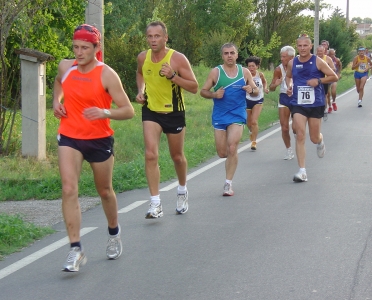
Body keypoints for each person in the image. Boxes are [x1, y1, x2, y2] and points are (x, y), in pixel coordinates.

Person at [53, 24, 135, 272]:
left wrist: (104, 112)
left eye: (85, 48)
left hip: (99, 139)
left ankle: (113, 232)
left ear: (96, 48)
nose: (79, 53)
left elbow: (128, 110)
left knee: (105, 191)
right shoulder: (65, 67)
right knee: (69, 189)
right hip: (69, 136)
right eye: (76, 47)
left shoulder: (106, 74)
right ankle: (75, 249)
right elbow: (58, 83)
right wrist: (56, 101)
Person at [136, 21, 198, 219]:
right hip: (151, 111)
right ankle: (155, 203)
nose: (153, 40)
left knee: (177, 156)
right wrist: (141, 91)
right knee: (150, 155)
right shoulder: (142, 57)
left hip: (174, 112)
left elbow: (194, 87)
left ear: (165, 37)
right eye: (150, 36)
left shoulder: (178, 59)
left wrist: (173, 76)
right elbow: (140, 74)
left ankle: (182, 191)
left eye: (157, 36)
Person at [200, 43, 259, 196]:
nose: (229, 56)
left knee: (232, 147)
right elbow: (203, 91)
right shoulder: (216, 72)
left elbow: (255, 90)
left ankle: (228, 184)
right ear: (222, 56)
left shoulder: (244, 72)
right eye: (226, 53)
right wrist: (214, 95)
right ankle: (230, 160)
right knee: (222, 153)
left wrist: (251, 90)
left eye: (232, 53)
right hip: (220, 115)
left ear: (237, 55)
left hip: (237, 114)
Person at [285, 34, 338, 182]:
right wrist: (289, 86)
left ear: (310, 46)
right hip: (298, 103)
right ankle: (302, 171)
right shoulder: (292, 62)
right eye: (300, 46)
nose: (302, 48)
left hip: (316, 103)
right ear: (297, 47)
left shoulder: (318, 61)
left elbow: (334, 76)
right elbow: (288, 77)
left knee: (313, 138)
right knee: (300, 134)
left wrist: (318, 80)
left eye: (305, 46)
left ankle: (320, 140)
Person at [269, 45, 296, 160]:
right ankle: (289, 150)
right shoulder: (278, 69)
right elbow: (271, 88)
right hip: (284, 97)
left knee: (296, 127)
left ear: (291, 57)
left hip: (297, 97)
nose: (281, 59)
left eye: (284, 56)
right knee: (284, 127)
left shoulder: (299, 65)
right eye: (281, 56)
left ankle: (299, 143)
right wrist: (276, 84)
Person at [244, 56, 269, 150]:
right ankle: (251, 131)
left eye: (253, 66)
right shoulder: (245, 76)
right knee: (249, 123)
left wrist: (265, 88)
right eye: (249, 66)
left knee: (254, 121)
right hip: (247, 99)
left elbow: (264, 82)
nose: (251, 68)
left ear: (257, 66)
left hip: (258, 100)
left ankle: (254, 142)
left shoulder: (260, 75)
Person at [316, 45, 336, 115]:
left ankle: (324, 109)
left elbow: (333, 69)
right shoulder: (314, 58)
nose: (319, 53)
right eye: (318, 51)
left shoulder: (328, 59)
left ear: (324, 51)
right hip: (315, 80)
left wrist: (326, 70)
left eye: (321, 51)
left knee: (324, 95)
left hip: (325, 80)